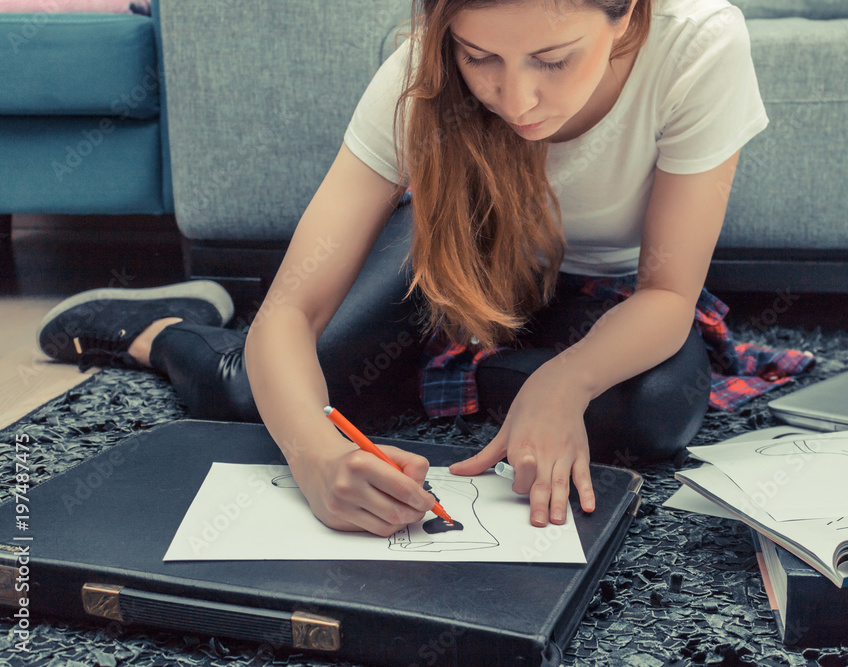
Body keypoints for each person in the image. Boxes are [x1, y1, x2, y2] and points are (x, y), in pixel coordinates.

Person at [37, 0, 773, 537]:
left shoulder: (698, 44)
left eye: (552, 60)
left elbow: (668, 295)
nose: (515, 99)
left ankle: (434, 375)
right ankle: (166, 326)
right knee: (250, 398)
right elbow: (287, 317)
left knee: (651, 414)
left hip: (609, 289)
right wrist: (316, 454)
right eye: (479, 57)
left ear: (627, 18)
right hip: (461, 262)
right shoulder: (414, 73)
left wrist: (563, 380)